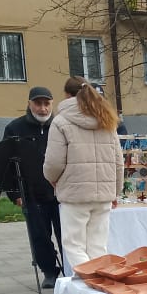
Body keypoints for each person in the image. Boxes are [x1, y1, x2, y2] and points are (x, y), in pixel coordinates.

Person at [42, 76, 124, 268]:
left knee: (74, 245)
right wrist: (116, 191)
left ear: (66, 95)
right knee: (98, 246)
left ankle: (89, 281)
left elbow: (54, 162)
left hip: (75, 193)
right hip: (103, 194)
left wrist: (51, 178)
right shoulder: (107, 119)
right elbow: (118, 161)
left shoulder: (60, 121)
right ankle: (100, 281)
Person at [3, 86, 62, 288]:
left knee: (67, 235)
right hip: (31, 193)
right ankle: (49, 271)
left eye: (47, 104)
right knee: (39, 236)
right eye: (38, 103)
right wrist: (14, 193)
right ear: (29, 104)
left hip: (62, 193)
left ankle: (70, 269)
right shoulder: (15, 128)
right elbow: (6, 163)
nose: (43, 108)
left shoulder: (60, 126)